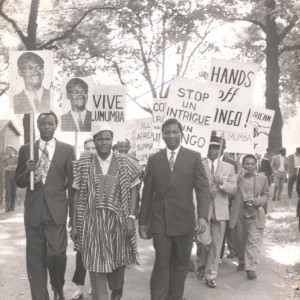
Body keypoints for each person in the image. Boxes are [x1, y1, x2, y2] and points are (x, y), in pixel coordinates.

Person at [139, 118, 210, 300]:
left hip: (184, 220)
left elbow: (203, 189)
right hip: (160, 220)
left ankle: (175, 297)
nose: (171, 136)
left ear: (181, 134)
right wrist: (143, 221)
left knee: (180, 264)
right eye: (167, 132)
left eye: (174, 132)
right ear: (162, 135)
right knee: (162, 261)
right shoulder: (154, 160)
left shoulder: (193, 157)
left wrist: (202, 217)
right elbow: (147, 193)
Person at [71, 121, 142, 300]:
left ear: (112, 140)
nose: (104, 143)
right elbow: (76, 194)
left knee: (118, 261)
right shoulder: (84, 162)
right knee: (95, 264)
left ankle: (117, 291)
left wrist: (131, 218)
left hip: (118, 222)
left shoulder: (125, 162)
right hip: (91, 222)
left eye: (107, 139)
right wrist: (74, 223)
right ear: (94, 141)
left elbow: (134, 190)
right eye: (100, 139)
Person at [15, 111, 75, 300]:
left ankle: (58, 286)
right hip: (34, 213)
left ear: (56, 125)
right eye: (43, 124)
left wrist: (74, 217)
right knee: (35, 261)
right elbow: (19, 181)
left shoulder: (67, 149)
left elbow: (72, 185)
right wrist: (27, 172)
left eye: (50, 123)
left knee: (57, 254)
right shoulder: (27, 149)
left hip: (56, 213)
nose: (46, 127)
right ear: (38, 126)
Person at [196, 136, 236, 288]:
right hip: (203, 210)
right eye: (210, 147)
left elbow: (233, 189)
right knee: (204, 242)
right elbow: (194, 187)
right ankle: (201, 264)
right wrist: (207, 193)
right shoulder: (199, 165)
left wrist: (222, 184)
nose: (212, 151)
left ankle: (210, 275)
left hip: (221, 211)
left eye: (215, 148)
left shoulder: (228, 167)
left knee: (216, 245)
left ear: (221, 150)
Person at [230, 154, 270, 280]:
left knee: (253, 240)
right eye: (247, 164)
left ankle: (251, 268)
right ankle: (242, 261)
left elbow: (266, 194)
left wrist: (260, 201)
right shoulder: (236, 178)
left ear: (256, 165)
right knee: (239, 240)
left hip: (255, 213)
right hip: (238, 213)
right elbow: (229, 193)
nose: (250, 166)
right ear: (243, 164)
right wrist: (237, 180)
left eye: (253, 164)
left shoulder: (263, 178)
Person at [70, 138, 95, 300]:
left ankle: (95, 285)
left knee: (97, 251)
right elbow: (75, 196)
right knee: (81, 253)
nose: (91, 151)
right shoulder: (79, 168)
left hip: (99, 217)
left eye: (93, 148)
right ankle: (80, 288)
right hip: (82, 216)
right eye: (87, 148)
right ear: (83, 150)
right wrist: (74, 223)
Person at [3, 145, 18, 212]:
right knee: (8, 192)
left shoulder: (16, 158)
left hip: (15, 176)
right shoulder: (4, 159)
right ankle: (7, 207)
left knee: (14, 192)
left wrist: (9, 166)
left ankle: (13, 207)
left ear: (13, 150)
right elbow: (4, 168)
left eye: (10, 150)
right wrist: (12, 167)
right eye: (7, 150)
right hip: (7, 177)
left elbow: (17, 166)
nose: (8, 151)